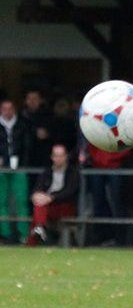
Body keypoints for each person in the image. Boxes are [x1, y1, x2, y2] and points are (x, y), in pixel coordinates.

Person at [27, 143, 78, 245]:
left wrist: (51, 197)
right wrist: (35, 195)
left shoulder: (72, 172)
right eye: (56, 155)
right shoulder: (46, 172)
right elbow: (37, 188)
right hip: (47, 205)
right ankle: (39, 228)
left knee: (39, 208)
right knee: (39, 204)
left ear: (65, 157)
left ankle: (31, 242)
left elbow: (69, 192)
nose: (58, 158)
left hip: (64, 206)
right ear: (52, 157)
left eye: (61, 155)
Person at [0, 99, 32, 243]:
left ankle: (23, 234)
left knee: (21, 201)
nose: (7, 111)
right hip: (1, 169)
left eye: (10, 108)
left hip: (19, 168)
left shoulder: (23, 124)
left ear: (14, 110)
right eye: (4, 109)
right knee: (1, 202)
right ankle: (5, 234)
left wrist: (23, 164)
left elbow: (27, 147)